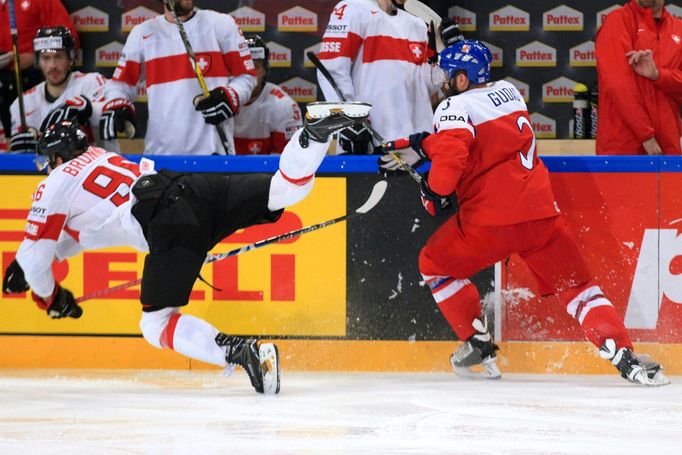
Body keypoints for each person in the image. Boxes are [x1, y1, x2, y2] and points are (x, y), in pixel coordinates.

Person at [1, 101, 371, 394]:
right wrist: (29, 263)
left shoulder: (54, 182)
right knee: (283, 190)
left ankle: (244, 352)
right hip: (191, 188)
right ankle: (314, 136)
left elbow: (37, 257)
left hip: (167, 221)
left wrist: (49, 299)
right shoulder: (102, 157)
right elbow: (83, 234)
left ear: (56, 157)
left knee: (155, 323)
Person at [387, 40, 669, 386]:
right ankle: (624, 354)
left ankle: (476, 342)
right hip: (540, 218)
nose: (443, 81)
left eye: (448, 74)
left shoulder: (451, 108)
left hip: (488, 225)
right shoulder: (508, 92)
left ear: (462, 80)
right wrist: (425, 142)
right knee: (580, 291)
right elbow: (490, 140)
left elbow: (447, 173)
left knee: (433, 264)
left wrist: (430, 189)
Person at [103, 0, 256, 155]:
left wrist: (232, 95)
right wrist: (117, 103)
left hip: (213, 154)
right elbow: (120, 86)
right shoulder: (142, 33)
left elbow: (247, 77)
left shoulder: (221, 24)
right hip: (161, 157)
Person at [317, 0, 459, 155]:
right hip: (371, 143)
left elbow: (425, 86)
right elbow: (332, 70)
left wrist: (448, 55)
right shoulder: (352, 9)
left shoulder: (417, 24)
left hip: (419, 146)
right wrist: (349, 121)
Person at [7, 26, 119, 154]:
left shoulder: (92, 83)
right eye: (46, 58)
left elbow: (117, 113)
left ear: (70, 58)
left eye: (59, 57)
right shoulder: (22, 104)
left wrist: (89, 108)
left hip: (97, 166)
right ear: (37, 61)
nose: (52, 65)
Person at [595, 0, 682, 155]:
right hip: (623, 147)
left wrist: (658, 75)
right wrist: (646, 136)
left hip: (668, 147)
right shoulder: (617, 21)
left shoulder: (678, 29)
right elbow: (619, 85)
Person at [0, 0, 79, 145]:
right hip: (4, 82)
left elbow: (69, 38)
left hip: (33, 77)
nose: (53, 63)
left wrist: (35, 57)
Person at [233, 35, 303, 155]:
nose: (248, 74)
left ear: (265, 70)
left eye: (255, 67)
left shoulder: (283, 106)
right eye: (242, 66)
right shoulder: (219, 101)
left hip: (267, 173)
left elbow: (289, 162)